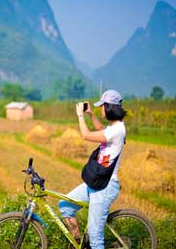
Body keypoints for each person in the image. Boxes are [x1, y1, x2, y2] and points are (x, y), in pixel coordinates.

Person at [58, 89, 127, 249]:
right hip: (96, 182)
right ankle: (78, 244)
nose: (100, 108)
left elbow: (86, 135)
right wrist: (90, 114)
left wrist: (80, 116)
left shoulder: (117, 130)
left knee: (96, 237)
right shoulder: (114, 128)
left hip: (105, 187)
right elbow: (101, 129)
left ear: (109, 107)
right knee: (65, 206)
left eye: (101, 105)